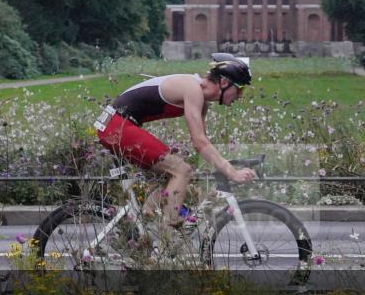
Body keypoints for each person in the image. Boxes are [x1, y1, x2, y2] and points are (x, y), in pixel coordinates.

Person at [95, 54, 257, 231]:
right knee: (181, 171)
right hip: (116, 126)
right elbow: (200, 143)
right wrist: (232, 172)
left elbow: (203, 143)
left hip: (116, 124)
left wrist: (225, 165)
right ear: (224, 82)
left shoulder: (201, 99)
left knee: (176, 174)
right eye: (240, 89)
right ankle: (167, 237)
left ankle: (145, 216)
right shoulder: (192, 89)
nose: (240, 96)